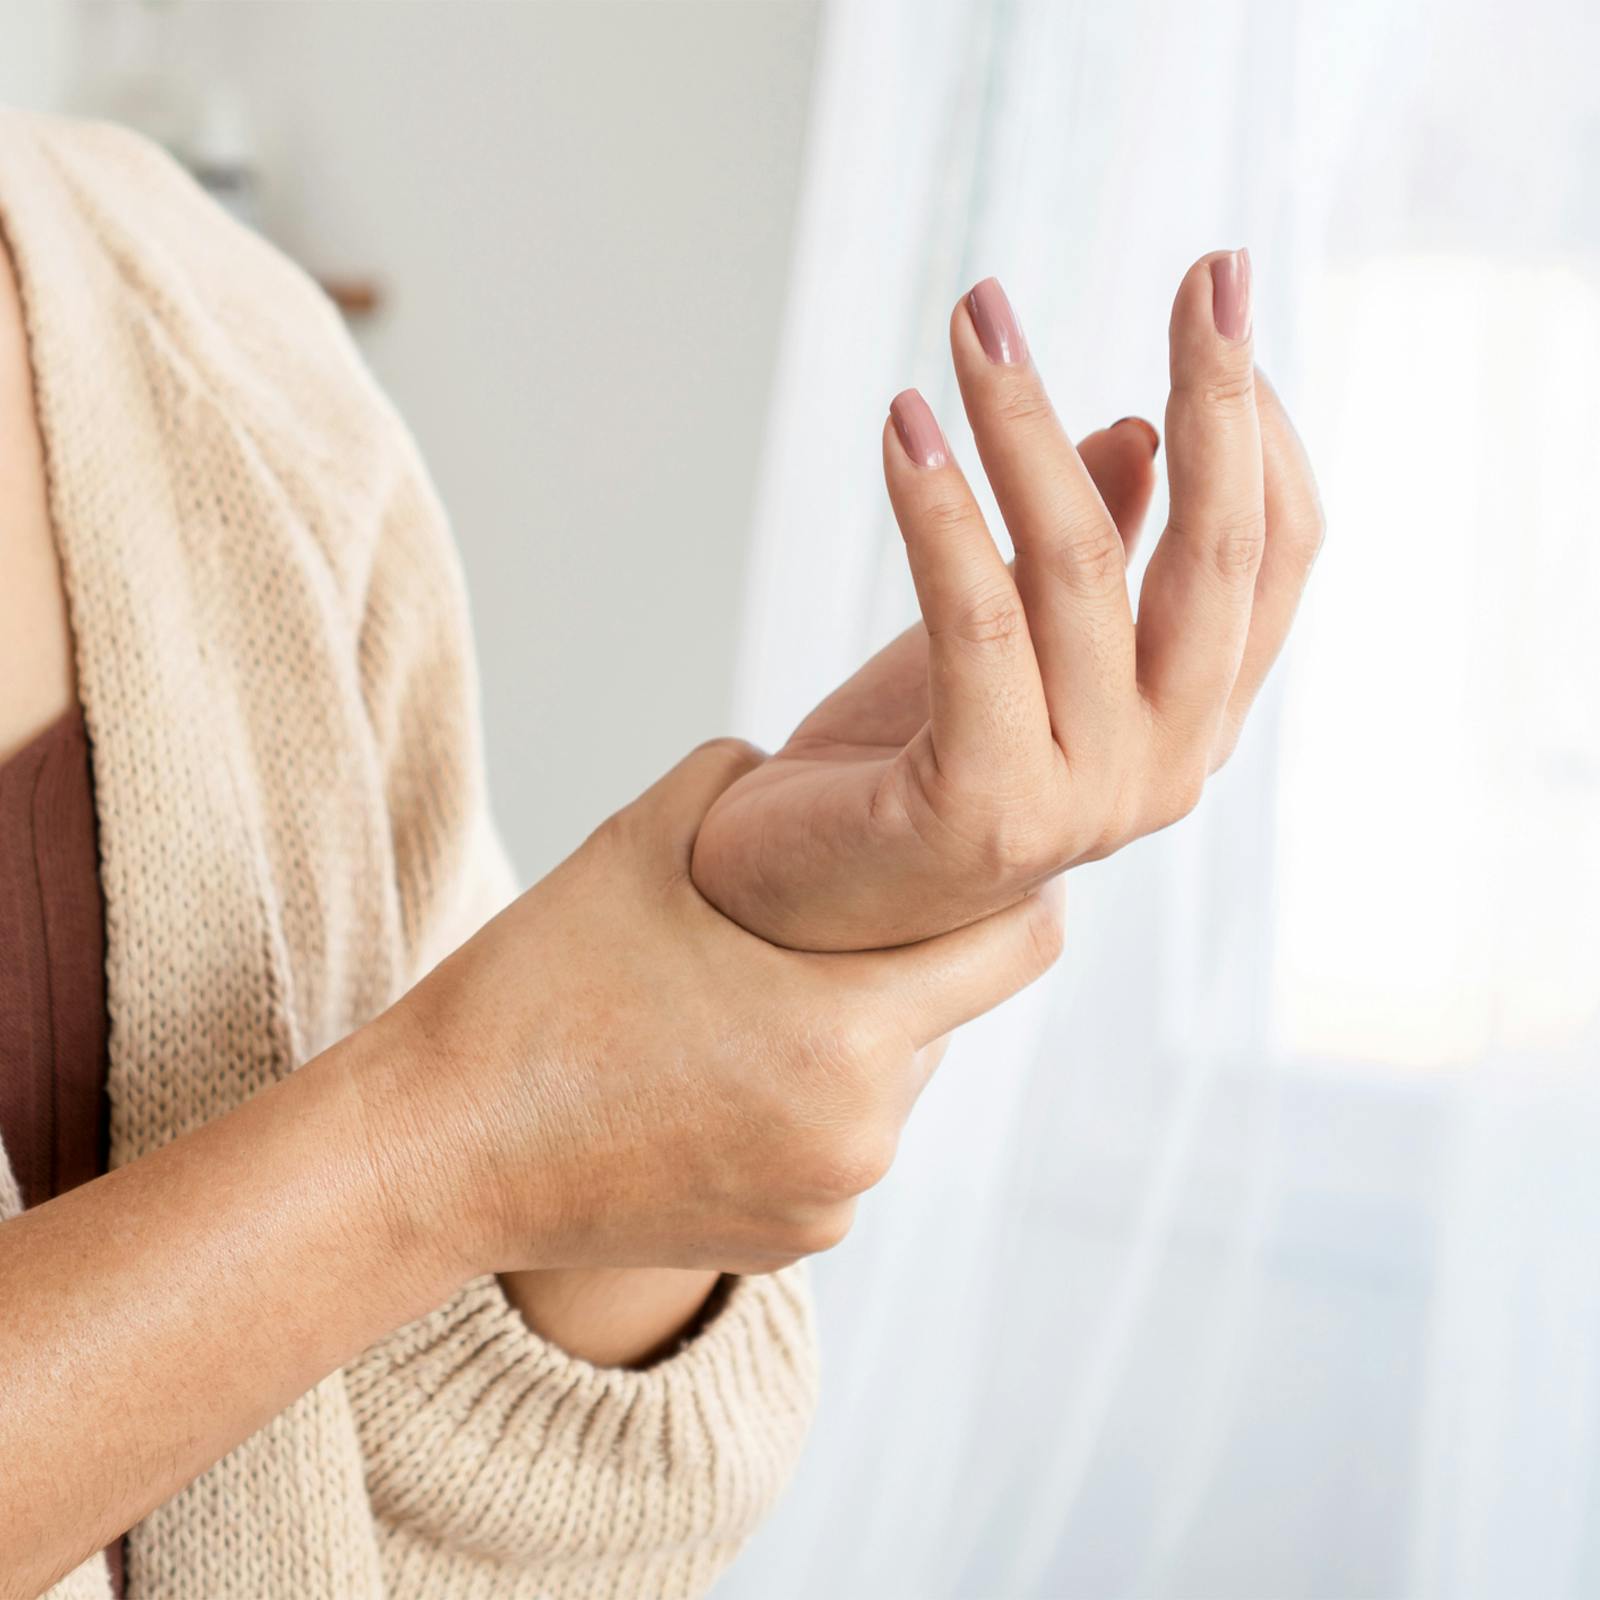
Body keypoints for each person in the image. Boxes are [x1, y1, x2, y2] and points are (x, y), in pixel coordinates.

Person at [0, 109, 1322, 1600]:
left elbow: (417, 1507)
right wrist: (434, 1146)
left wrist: (740, 972)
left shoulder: (213, 330)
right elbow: (443, 1143)